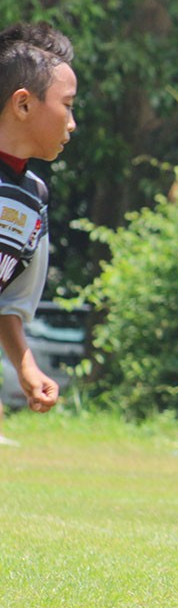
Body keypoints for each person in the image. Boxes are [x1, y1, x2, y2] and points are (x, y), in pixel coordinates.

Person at [0, 23, 75, 419]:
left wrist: (26, 366)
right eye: (68, 104)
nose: (72, 123)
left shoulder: (34, 199)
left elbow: (9, 302)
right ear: (24, 104)